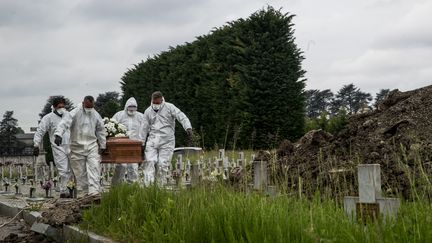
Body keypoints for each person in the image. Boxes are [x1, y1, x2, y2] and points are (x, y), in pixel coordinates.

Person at [54, 96, 106, 196]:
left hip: (92, 146)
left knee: (94, 168)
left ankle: (94, 192)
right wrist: (58, 134)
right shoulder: (74, 113)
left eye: (91, 107)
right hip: (76, 147)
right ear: (83, 103)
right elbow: (64, 123)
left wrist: (103, 145)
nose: (89, 109)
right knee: (80, 173)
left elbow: (100, 130)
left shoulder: (95, 114)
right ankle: (85, 194)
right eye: (87, 107)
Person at [141, 91, 193, 186]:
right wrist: (141, 143)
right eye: (154, 103)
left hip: (167, 141)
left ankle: (159, 188)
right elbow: (144, 128)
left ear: (162, 99)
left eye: (158, 103)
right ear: (151, 101)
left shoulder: (169, 107)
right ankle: (148, 188)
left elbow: (181, 116)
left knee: (162, 164)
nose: (156, 105)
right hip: (152, 140)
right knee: (149, 162)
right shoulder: (148, 111)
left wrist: (188, 127)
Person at [33, 96, 72, 198]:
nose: (62, 109)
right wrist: (36, 144)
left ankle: (72, 188)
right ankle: (64, 190)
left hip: (72, 145)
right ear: (54, 107)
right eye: (59, 107)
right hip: (58, 147)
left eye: (63, 106)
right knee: (63, 170)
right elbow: (40, 131)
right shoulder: (48, 118)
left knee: (74, 169)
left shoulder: (69, 116)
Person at [111, 97, 145, 185]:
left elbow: (144, 130)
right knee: (121, 166)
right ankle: (115, 187)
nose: (132, 109)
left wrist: (142, 144)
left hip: (134, 147)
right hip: (121, 146)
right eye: (130, 107)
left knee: (133, 167)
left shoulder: (141, 116)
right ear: (126, 106)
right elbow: (111, 127)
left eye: (134, 107)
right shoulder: (119, 115)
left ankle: (132, 188)